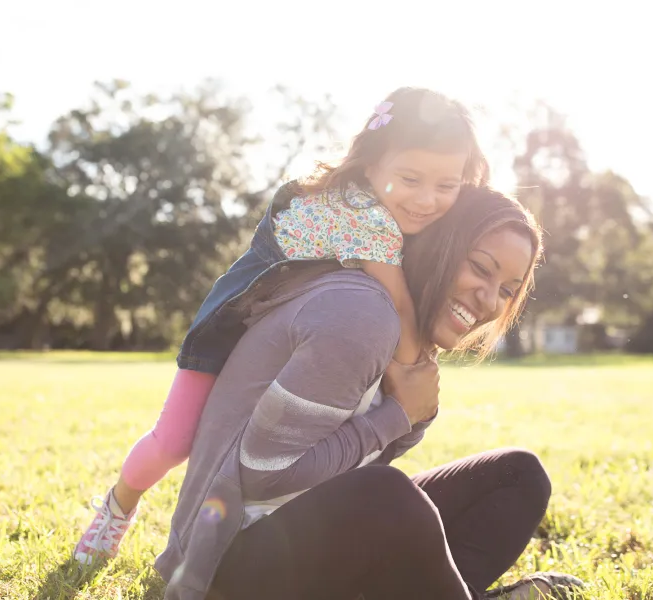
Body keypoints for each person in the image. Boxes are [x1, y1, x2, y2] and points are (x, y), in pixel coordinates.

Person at [74, 86, 490, 564]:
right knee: (174, 440)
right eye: (411, 178)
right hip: (230, 332)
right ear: (372, 164)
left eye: (447, 185)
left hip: (293, 338)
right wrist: (415, 377)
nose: (427, 199)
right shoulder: (359, 212)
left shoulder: (398, 215)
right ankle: (117, 507)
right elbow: (398, 305)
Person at [155, 186, 585, 600]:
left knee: (518, 474)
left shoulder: (407, 339)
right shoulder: (361, 316)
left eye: (507, 290)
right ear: (439, 244)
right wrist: (397, 414)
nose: (490, 300)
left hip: (301, 533)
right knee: (387, 496)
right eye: (480, 267)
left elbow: (359, 465)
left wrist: (411, 402)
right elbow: (263, 474)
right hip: (223, 565)